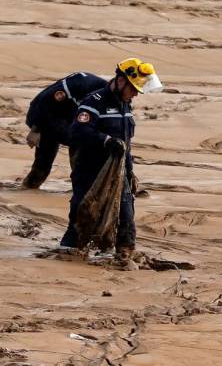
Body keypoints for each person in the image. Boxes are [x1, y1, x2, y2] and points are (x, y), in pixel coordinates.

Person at [59, 58, 162, 267]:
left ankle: (125, 254)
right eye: (133, 89)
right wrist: (105, 140)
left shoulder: (125, 105)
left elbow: (126, 144)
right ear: (121, 81)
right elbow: (77, 131)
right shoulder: (94, 102)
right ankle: (69, 253)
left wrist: (130, 172)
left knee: (126, 214)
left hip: (119, 171)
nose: (136, 94)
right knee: (82, 214)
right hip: (90, 171)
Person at [22, 72, 108, 189]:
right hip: (48, 115)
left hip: (73, 119)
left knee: (82, 151)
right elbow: (44, 100)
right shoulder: (82, 83)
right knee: (43, 163)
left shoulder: (115, 100)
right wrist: (36, 129)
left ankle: (80, 188)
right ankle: (28, 188)